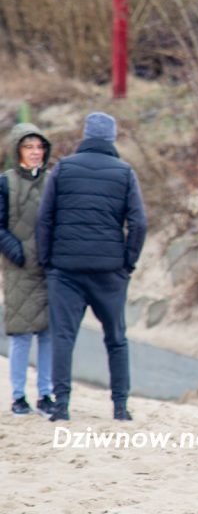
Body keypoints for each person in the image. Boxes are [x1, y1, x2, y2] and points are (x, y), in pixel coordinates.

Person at [36, 112, 147, 422]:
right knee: (116, 338)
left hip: (65, 270)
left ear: (85, 136)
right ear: (111, 139)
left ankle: (62, 406)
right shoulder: (124, 173)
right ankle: (120, 407)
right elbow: (139, 223)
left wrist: (48, 262)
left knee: (63, 337)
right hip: (109, 271)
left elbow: (45, 218)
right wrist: (128, 261)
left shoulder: (63, 168)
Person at [0, 123, 55, 417]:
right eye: (29, 147)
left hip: (48, 268)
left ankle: (46, 394)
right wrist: (17, 252)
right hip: (18, 269)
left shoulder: (52, 180)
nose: (36, 153)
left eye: (39, 147)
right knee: (21, 334)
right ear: (17, 149)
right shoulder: (5, 182)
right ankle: (18, 395)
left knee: (48, 332)